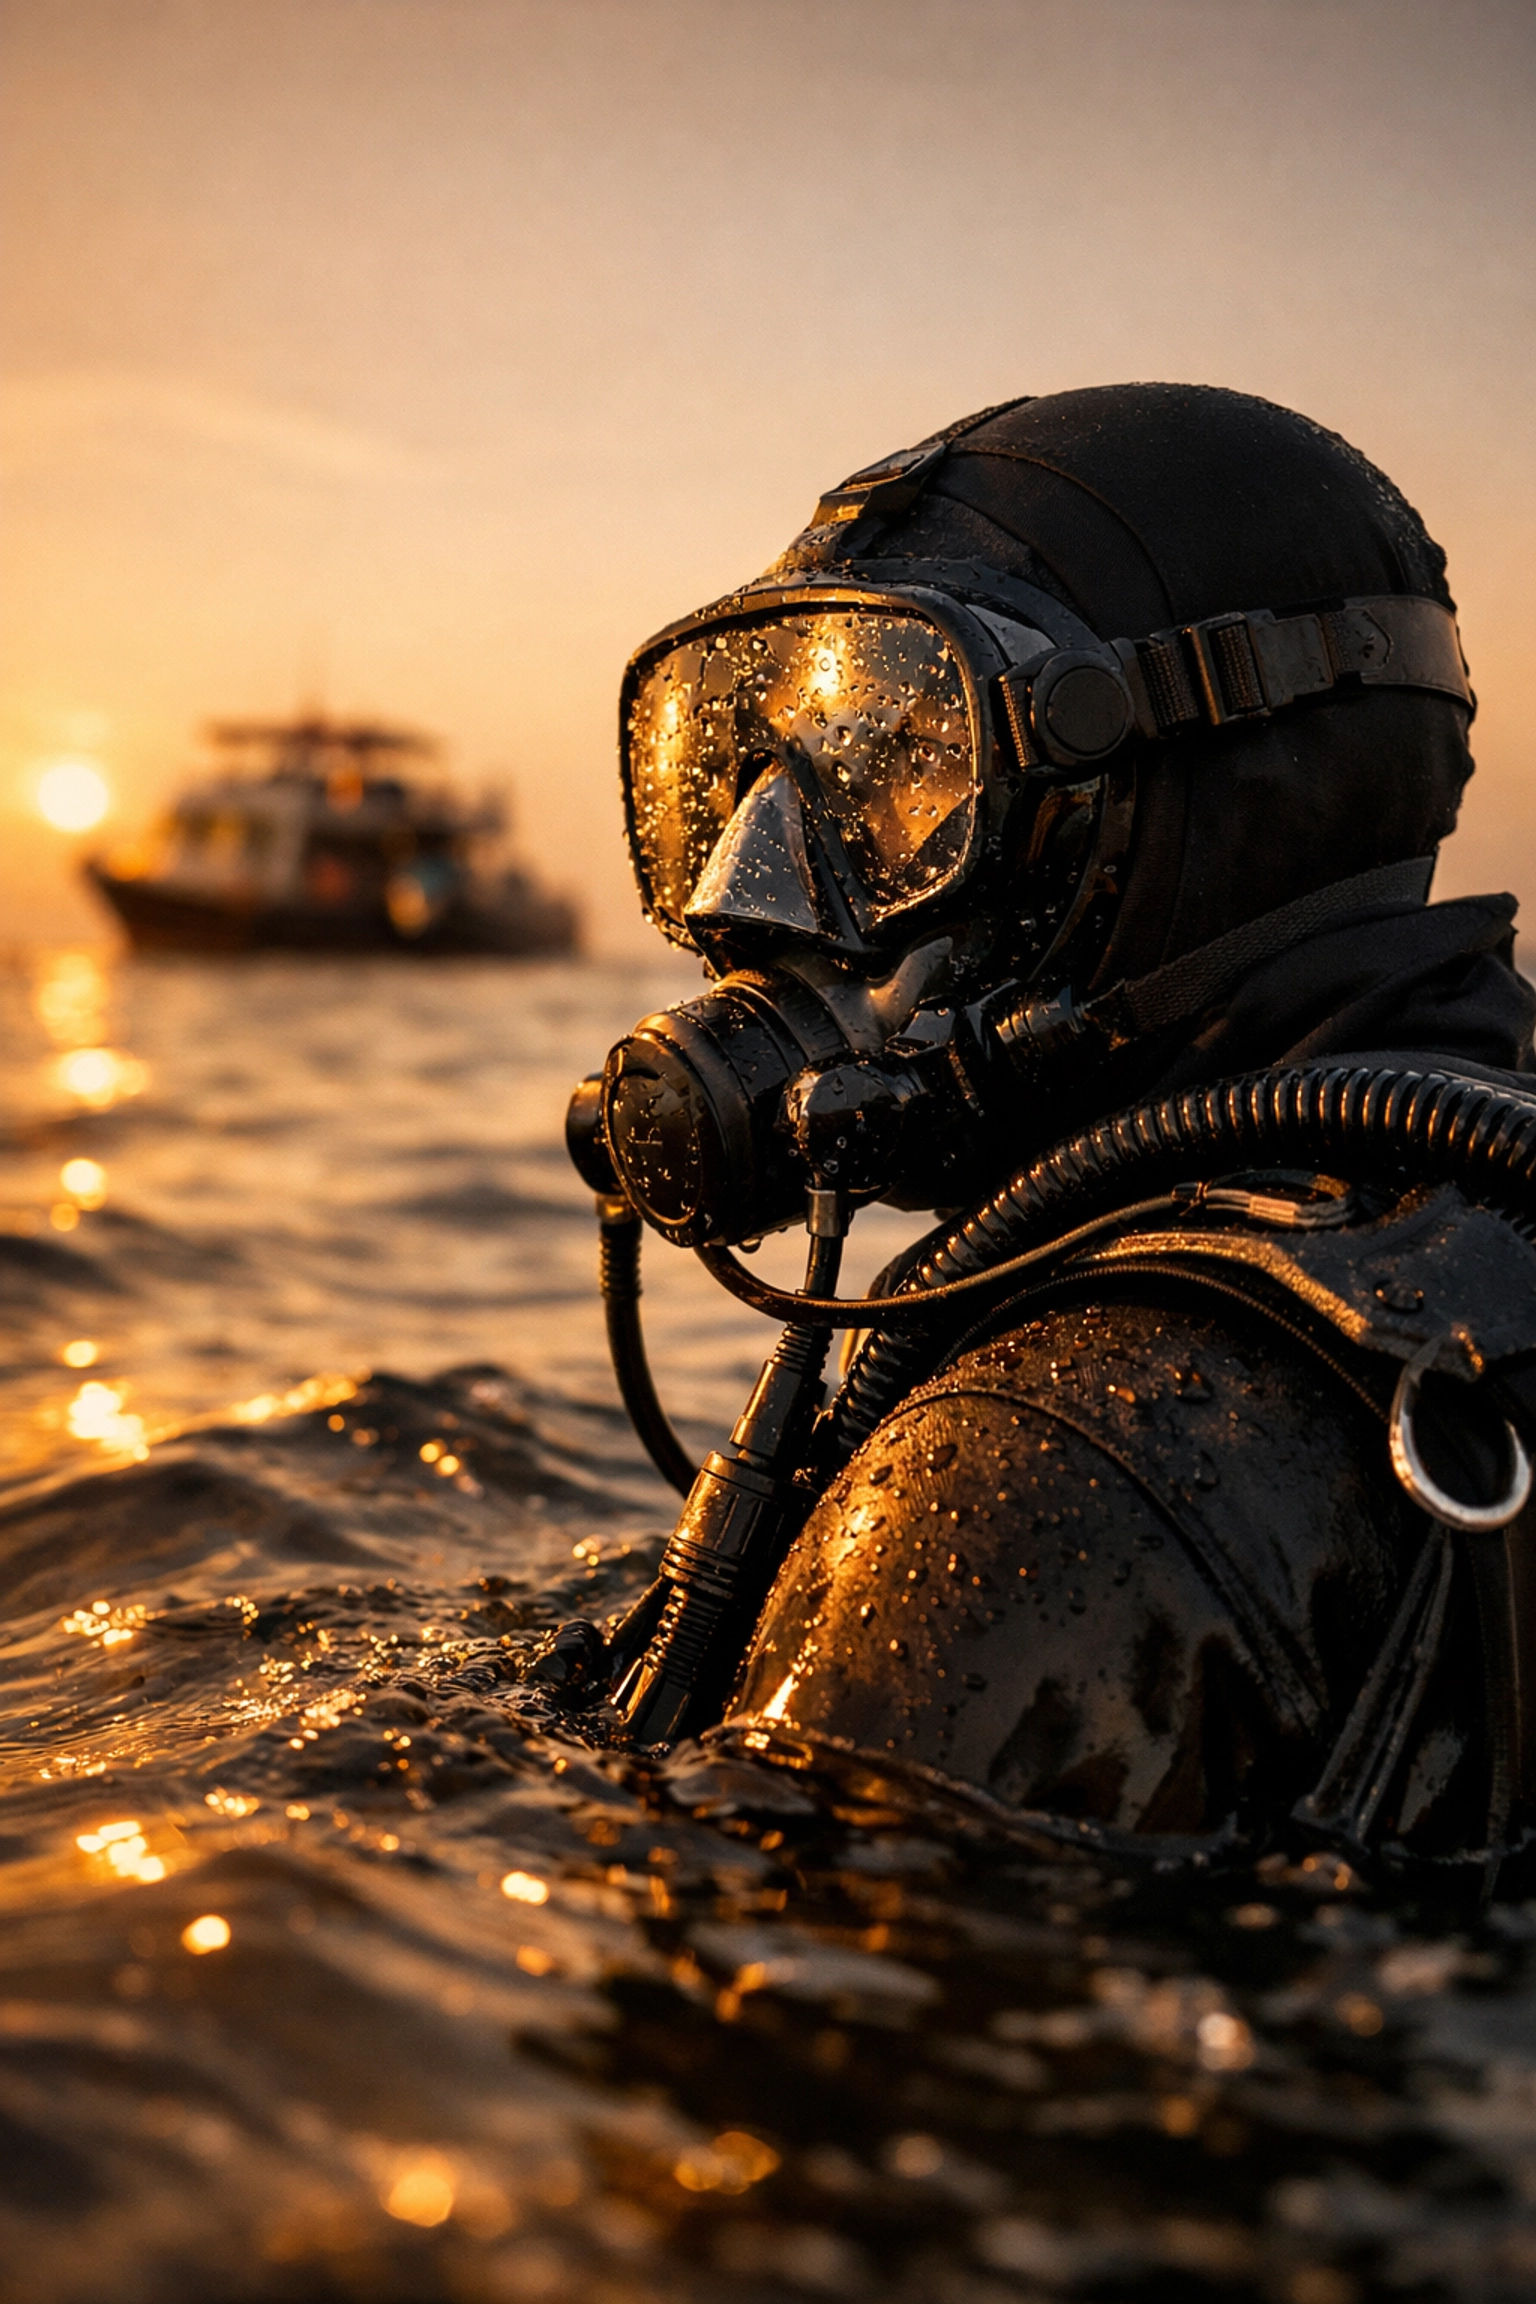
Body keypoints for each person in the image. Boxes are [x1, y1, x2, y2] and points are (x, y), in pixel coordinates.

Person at [575, 385, 1536, 1861]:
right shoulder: (1472, 1199)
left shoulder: (1053, 1465)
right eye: (733, 779)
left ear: (1197, 797)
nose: (746, 890)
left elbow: (782, 2021)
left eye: (906, 778)